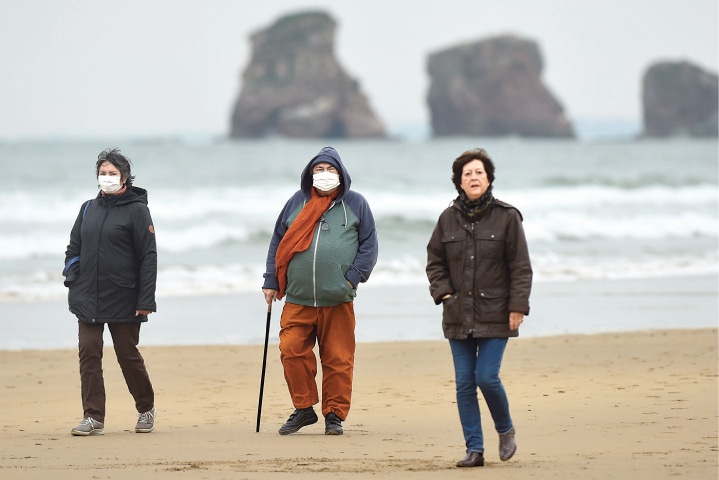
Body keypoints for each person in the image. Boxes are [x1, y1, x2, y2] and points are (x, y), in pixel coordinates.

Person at [426, 148, 532, 467]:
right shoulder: (447, 219)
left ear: (489, 180)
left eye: (479, 173)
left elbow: (521, 267)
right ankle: (474, 449)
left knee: (486, 377)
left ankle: (505, 429)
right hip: (457, 314)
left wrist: (518, 307)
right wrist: (445, 295)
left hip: (497, 313)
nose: (474, 177)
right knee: (463, 383)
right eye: (468, 173)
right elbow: (435, 263)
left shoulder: (507, 217)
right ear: (459, 181)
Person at [262, 146, 378, 436]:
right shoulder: (296, 202)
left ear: (341, 174)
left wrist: (351, 279)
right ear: (309, 174)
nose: (324, 174)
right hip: (298, 298)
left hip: (337, 298)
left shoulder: (356, 204)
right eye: (319, 169)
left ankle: (334, 415)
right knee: (291, 351)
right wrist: (270, 280)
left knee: (338, 360)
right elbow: (278, 241)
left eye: (330, 170)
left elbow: (369, 247)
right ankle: (304, 409)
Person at [63, 148, 158, 436]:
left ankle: (146, 408)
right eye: (102, 174)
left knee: (126, 354)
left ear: (125, 177)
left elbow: (148, 257)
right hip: (87, 296)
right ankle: (93, 417)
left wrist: (145, 300)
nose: (107, 178)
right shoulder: (87, 208)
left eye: (112, 174)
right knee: (88, 352)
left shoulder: (138, 210)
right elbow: (73, 248)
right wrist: (72, 276)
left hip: (125, 297)